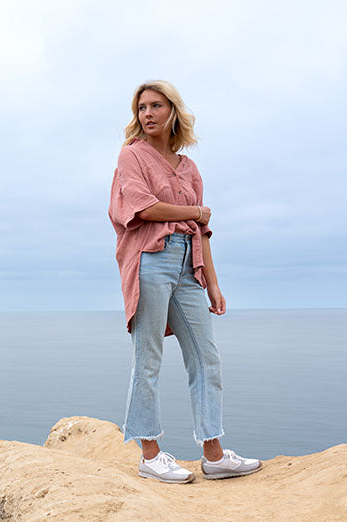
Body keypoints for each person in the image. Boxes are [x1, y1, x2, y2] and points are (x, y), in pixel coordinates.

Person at [108, 80, 262, 484]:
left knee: (206, 357)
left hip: (188, 265)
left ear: (173, 111)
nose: (148, 114)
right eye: (142, 108)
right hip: (150, 260)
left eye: (156, 106)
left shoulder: (189, 167)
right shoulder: (132, 156)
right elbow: (145, 207)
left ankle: (213, 454)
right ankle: (150, 453)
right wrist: (196, 211)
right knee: (149, 359)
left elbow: (200, 230)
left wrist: (213, 283)